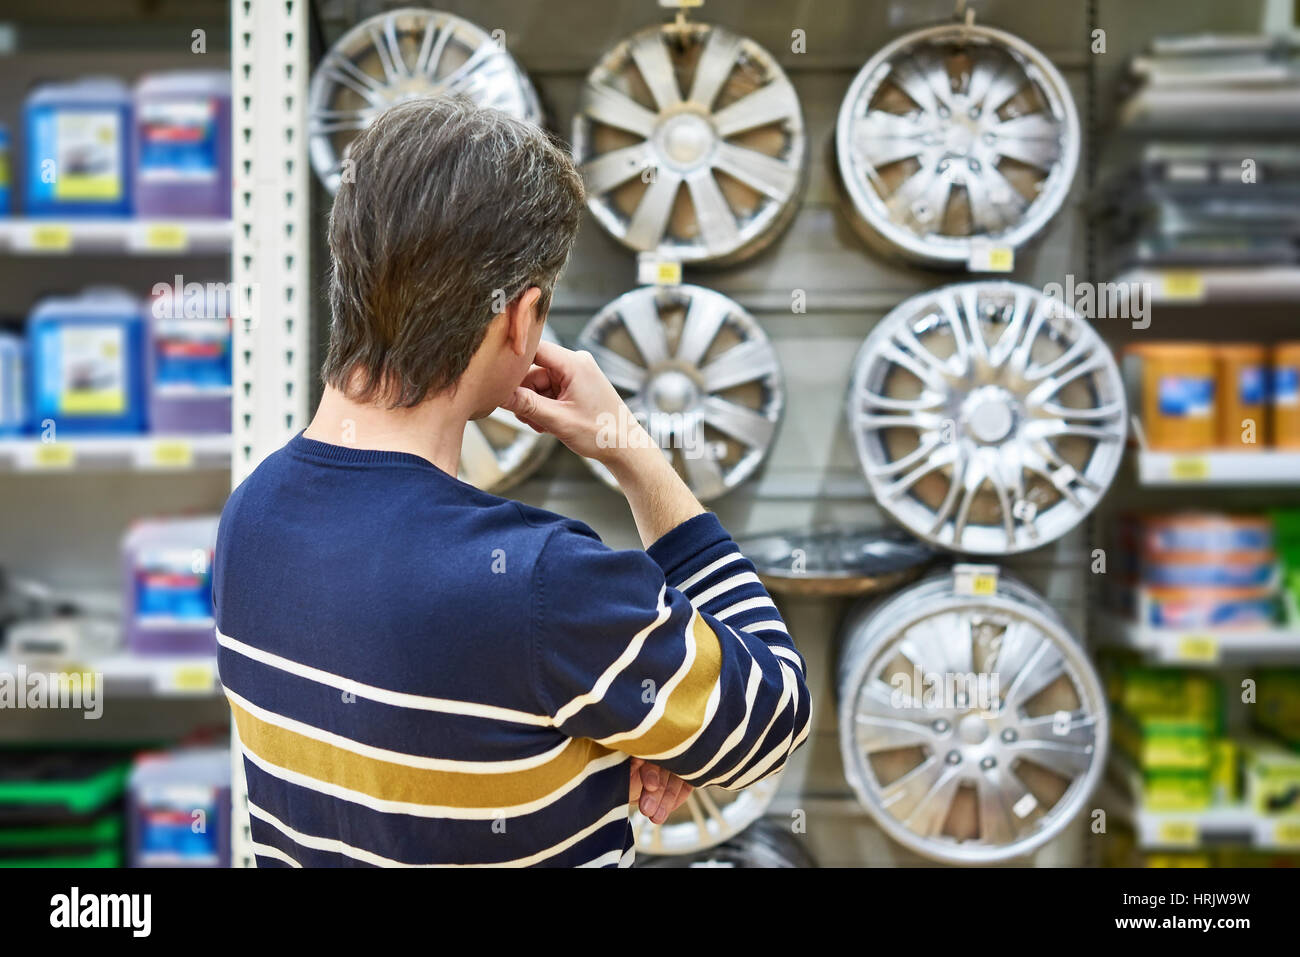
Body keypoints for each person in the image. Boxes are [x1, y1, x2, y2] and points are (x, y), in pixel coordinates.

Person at [214, 96, 811, 867]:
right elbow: (774, 716)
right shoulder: (543, 585)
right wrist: (630, 448)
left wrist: (584, 747)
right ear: (520, 319)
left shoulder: (250, 518)